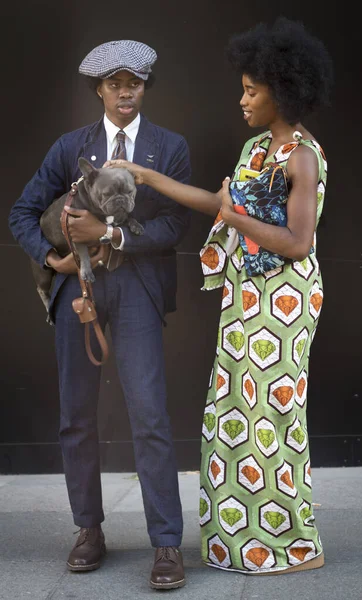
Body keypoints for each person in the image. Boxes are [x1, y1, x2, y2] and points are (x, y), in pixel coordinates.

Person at [105, 18, 333, 574]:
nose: (242, 99)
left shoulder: (302, 156)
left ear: (282, 91)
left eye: (252, 91)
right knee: (235, 415)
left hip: (284, 299)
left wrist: (234, 216)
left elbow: (299, 243)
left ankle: (293, 547)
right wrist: (147, 176)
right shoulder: (258, 147)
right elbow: (216, 202)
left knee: (273, 420)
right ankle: (243, 544)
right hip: (245, 297)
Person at [9, 40, 191, 589]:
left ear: (145, 87)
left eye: (134, 82)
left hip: (137, 288)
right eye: (114, 84)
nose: (125, 91)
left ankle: (165, 544)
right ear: (99, 89)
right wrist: (54, 258)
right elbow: (21, 213)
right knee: (76, 417)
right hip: (79, 290)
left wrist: (111, 233)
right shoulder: (71, 147)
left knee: (150, 414)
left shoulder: (169, 146)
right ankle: (88, 529)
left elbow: (175, 227)